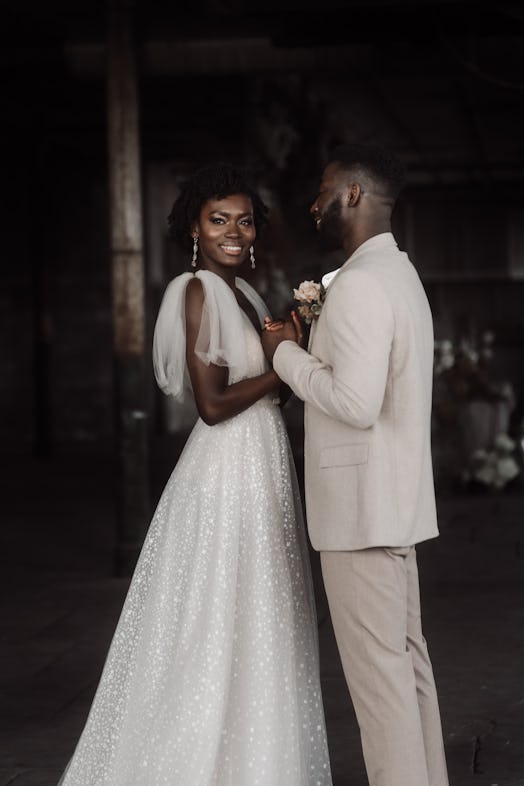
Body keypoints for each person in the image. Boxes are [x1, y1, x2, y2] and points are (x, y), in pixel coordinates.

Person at [57, 162, 332, 786]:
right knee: (217, 613)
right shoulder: (197, 290)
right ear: (195, 230)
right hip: (225, 469)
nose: (232, 231)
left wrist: (289, 346)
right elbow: (211, 406)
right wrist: (288, 364)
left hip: (260, 461)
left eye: (243, 221)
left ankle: (253, 762)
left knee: (259, 609)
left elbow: (265, 393)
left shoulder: (247, 293)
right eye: (218, 221)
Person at [261, 143, 449, 786]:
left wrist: (288, 355)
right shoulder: (402, 275)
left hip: (363, 516)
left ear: (353, 195)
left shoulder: (364, 284)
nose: (314, 203)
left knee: (379, 686)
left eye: (323, 190)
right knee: (406, 670)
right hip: (392, 507)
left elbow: (355, 402)